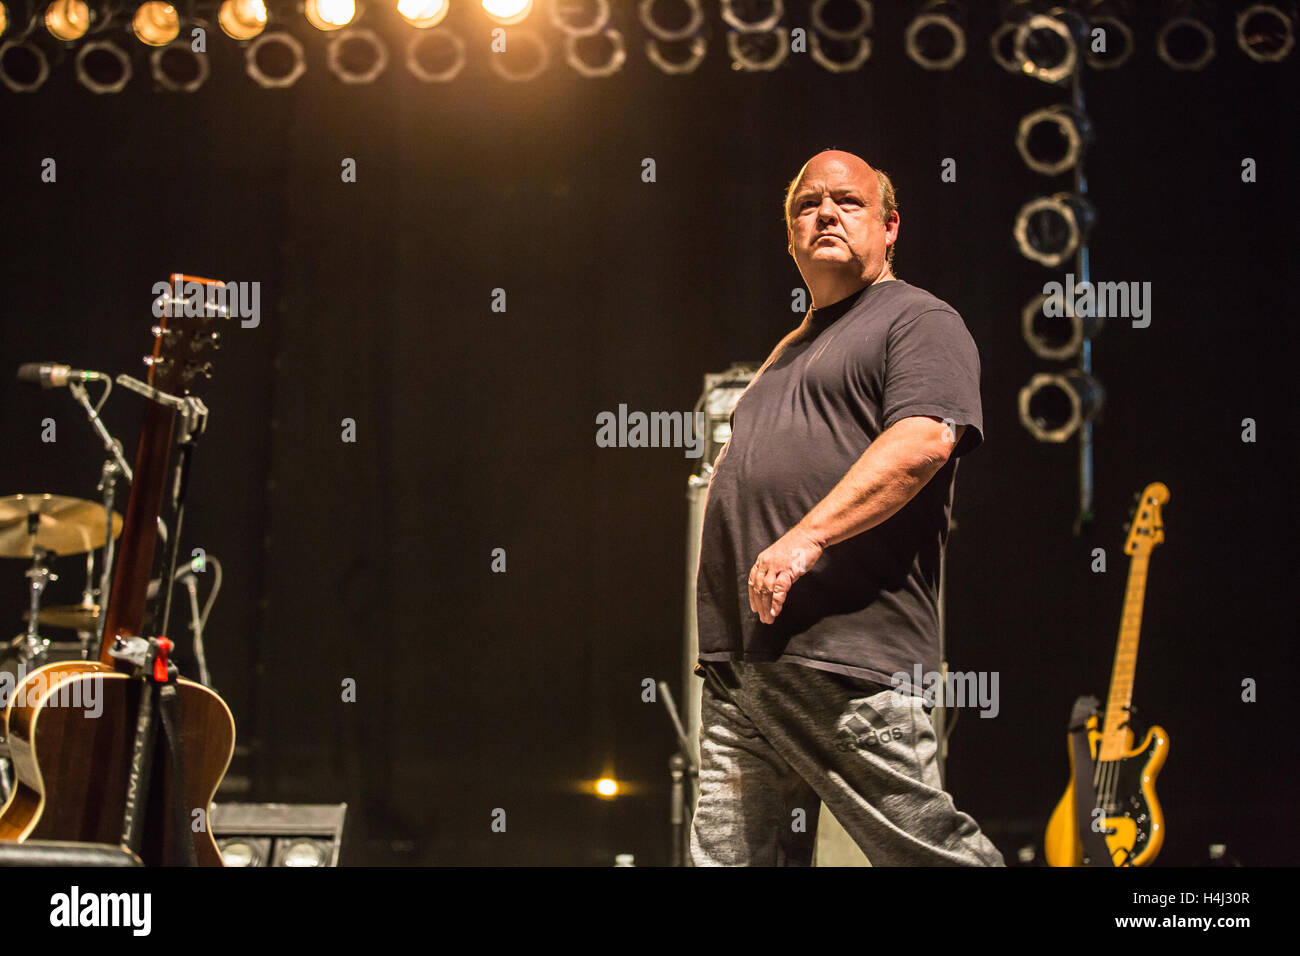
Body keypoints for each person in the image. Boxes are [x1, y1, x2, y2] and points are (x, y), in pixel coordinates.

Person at [690, 149, 1005, 866]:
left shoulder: (918, 319)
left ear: (891, 227)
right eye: (807, 204)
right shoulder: (783, 353)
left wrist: (804, 538)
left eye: (848, 202)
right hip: (744, 668)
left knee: (930, 853)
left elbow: (924, 439)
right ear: (790, 237)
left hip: (849, 661)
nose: (825, 212)